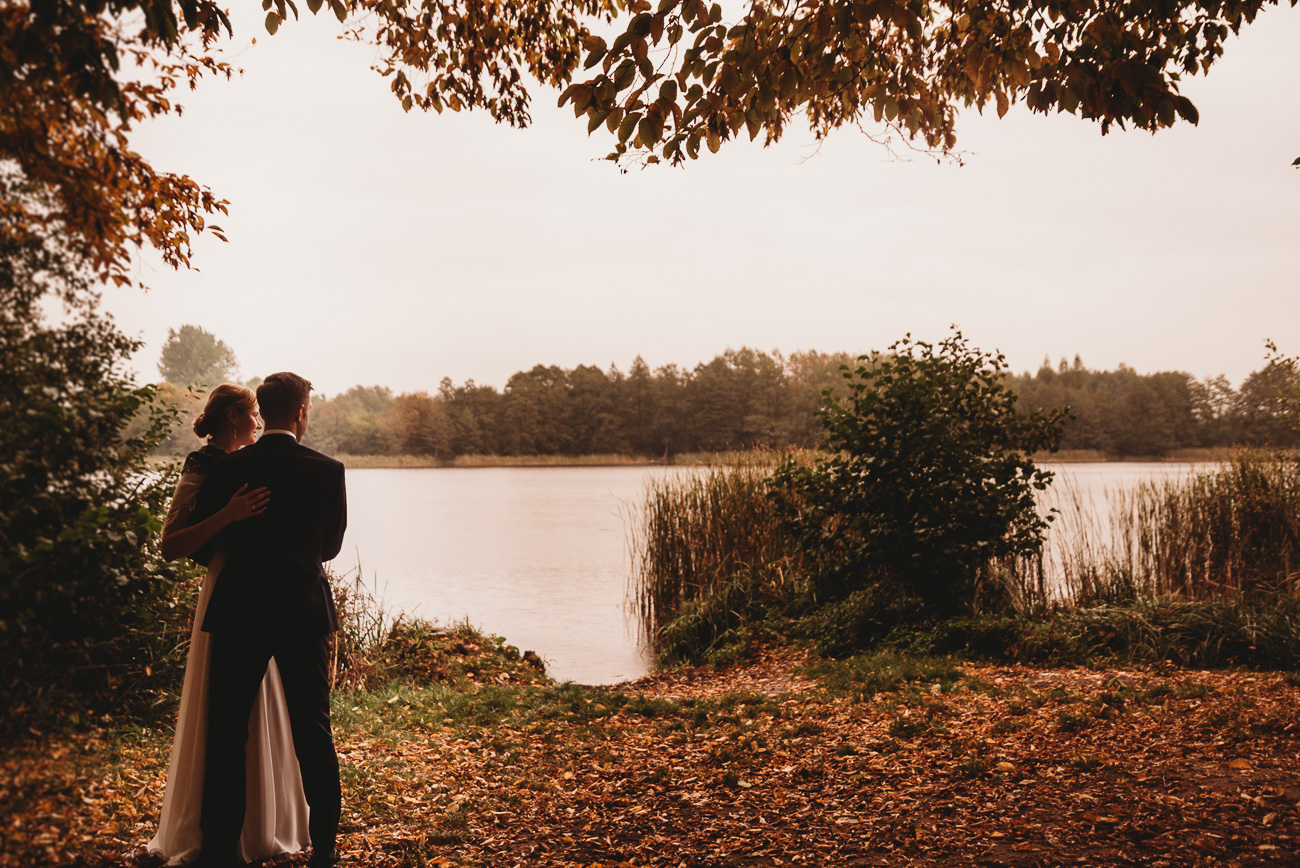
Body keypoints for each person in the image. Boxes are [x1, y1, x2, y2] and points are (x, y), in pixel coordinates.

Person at [148, 384, 312, 866]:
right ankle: (215, 832)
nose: (261, 423)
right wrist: (229, 513)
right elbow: (172, 544)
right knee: (223, 715)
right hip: (225, 592)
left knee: (261, 705)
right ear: (233, 416)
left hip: (266, 596)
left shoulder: (257, 463)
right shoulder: (203, 465)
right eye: (254, 414)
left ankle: (266, 821)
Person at [191, 372, 348, 868]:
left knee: (227, 732)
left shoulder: (231, 468)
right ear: (300, 412)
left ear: (264, 409)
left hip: (240, 609)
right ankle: (324, 846)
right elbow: (331, 547)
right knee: (313, 730)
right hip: (303, 611)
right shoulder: (329, 470)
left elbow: (205, 546)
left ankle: (221, 850)